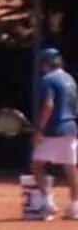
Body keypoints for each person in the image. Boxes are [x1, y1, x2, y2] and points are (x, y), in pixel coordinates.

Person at [32, 47, 78, 220]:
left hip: (53, 130)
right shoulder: (70, 79)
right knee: (71, 169)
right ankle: (75, 207)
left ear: (45, 64)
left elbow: (48, 105)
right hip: (71, 128)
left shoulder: (48, 79)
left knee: (37, 165)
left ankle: (48, 203)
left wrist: (40, 130)